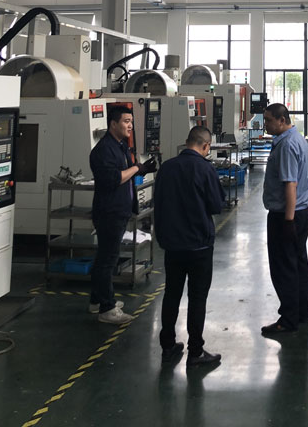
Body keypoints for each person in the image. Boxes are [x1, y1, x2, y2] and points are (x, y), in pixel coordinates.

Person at [154, 125, 226, 367]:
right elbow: (216, 205)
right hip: (199, 246)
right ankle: (195, 352)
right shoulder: (205, 169)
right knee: (197, 298)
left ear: (187, 142)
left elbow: (157, 203)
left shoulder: (166, 168)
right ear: (206, 146)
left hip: (172, 245)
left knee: (171, 294)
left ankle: (167, 346)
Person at [89, 105, 157, 324]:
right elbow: (114, 179)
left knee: (106, 257)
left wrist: (140, 168)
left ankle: (97, 300)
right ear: (113, 124)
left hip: (120, 209)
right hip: (109, 211)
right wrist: (137, 168)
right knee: (108, 260)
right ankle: (107, 309)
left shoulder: (120, 147)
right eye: (126, 121)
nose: (130, 126)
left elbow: (126, 172)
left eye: (131, 122)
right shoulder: (103, 150)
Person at [261, 103, 308, 336]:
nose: (265, 124)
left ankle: (288, 319)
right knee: (298, 264)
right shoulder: (297, 139)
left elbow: (290, 184)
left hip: (286, 215)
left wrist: (288, 221)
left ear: (282, 120)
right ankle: (301, 313)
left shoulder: (287, 145)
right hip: (300, 212)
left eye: (268, 120)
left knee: (284, 268)